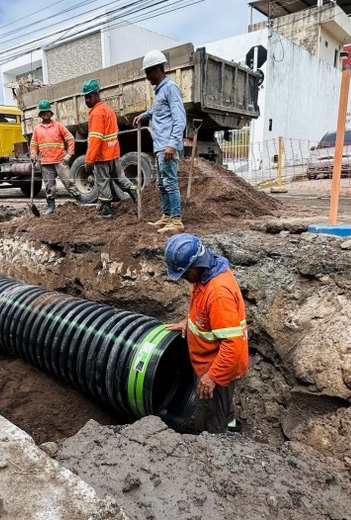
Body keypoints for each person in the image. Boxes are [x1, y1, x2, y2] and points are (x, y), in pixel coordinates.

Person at [163, 233, 249, 434]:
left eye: (184, 273)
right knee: (223, 408)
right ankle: (232, 428)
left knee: (209, 421)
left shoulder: (218, 293)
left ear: (195, 264)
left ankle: (215, 448)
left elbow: (232, 344)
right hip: (209, 365)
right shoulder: (204, 275)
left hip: (216, 370)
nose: (184, 278)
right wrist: (188, 321)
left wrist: (211, 378)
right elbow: (204, 313)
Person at [133, 50, 187, 234]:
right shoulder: (160, 91)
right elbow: (157, 111)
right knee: (161, 184)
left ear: (157, 69)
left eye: (148, 72)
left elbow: (179, 118)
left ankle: (176, 220)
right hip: (159, 146)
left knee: (170, 182)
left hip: (167, 146)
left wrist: (172, 144)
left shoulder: (171, 88)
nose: (147, 77)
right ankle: (166, 216)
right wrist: (143, 115)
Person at [82, 79, 138, 219]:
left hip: (102, 156)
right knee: (120, 177)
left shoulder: (96, 113)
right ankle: (137, 197)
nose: (87, 100)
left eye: (89, 97)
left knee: (103, 182)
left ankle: (106, 211)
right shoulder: (109, 110)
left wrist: (89, 160)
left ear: (97, 95)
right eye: (85, 97)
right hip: (114, 152)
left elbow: (95, 139)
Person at [29, 99, 83, 214]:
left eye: (47, 111)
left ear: (50, 113)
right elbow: (33, 144)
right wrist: (33, 153)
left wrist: (69, 155)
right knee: (49, 186)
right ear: (40, 115)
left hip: (60, 161)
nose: (45, 114)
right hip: (45, 162)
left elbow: (70, 139)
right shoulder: (37, 129)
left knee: (68, 182)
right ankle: (51, 207)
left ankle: (80, 201)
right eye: (43, 112)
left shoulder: (58, 126)